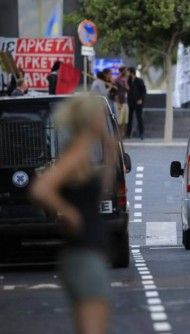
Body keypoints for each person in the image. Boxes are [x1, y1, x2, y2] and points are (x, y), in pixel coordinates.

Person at [30, 96, 117, 334]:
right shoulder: (77, 152)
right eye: (100, 115)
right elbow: (40, 188)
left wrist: (110, 155)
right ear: (90, 119)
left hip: (88, 254)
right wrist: (69, 213)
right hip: (84, 254)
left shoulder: (84, 154)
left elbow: (93, 196)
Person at [127, 67, 147, 139]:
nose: (127, 73)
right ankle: (128, 134)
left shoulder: (139, 80)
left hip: (138, 102)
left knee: (139, 118)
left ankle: (141, 133)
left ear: (131, 72)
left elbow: (143, 90)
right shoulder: (128, 80)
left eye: (128, 72)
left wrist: (141, 99)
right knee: (130, 118)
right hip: (131, 101)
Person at [114, 66, 129, 138]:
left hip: (126, 101)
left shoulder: (127, 79)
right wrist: (118, 103)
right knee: (119, 120)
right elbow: (116, 93)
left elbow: (128, 89)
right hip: (120, 102)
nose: (126, 72)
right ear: (122, 71)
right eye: (125, 70)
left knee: (125, 120)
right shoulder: (117, 80)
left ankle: (123, 135)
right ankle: (119, 135)